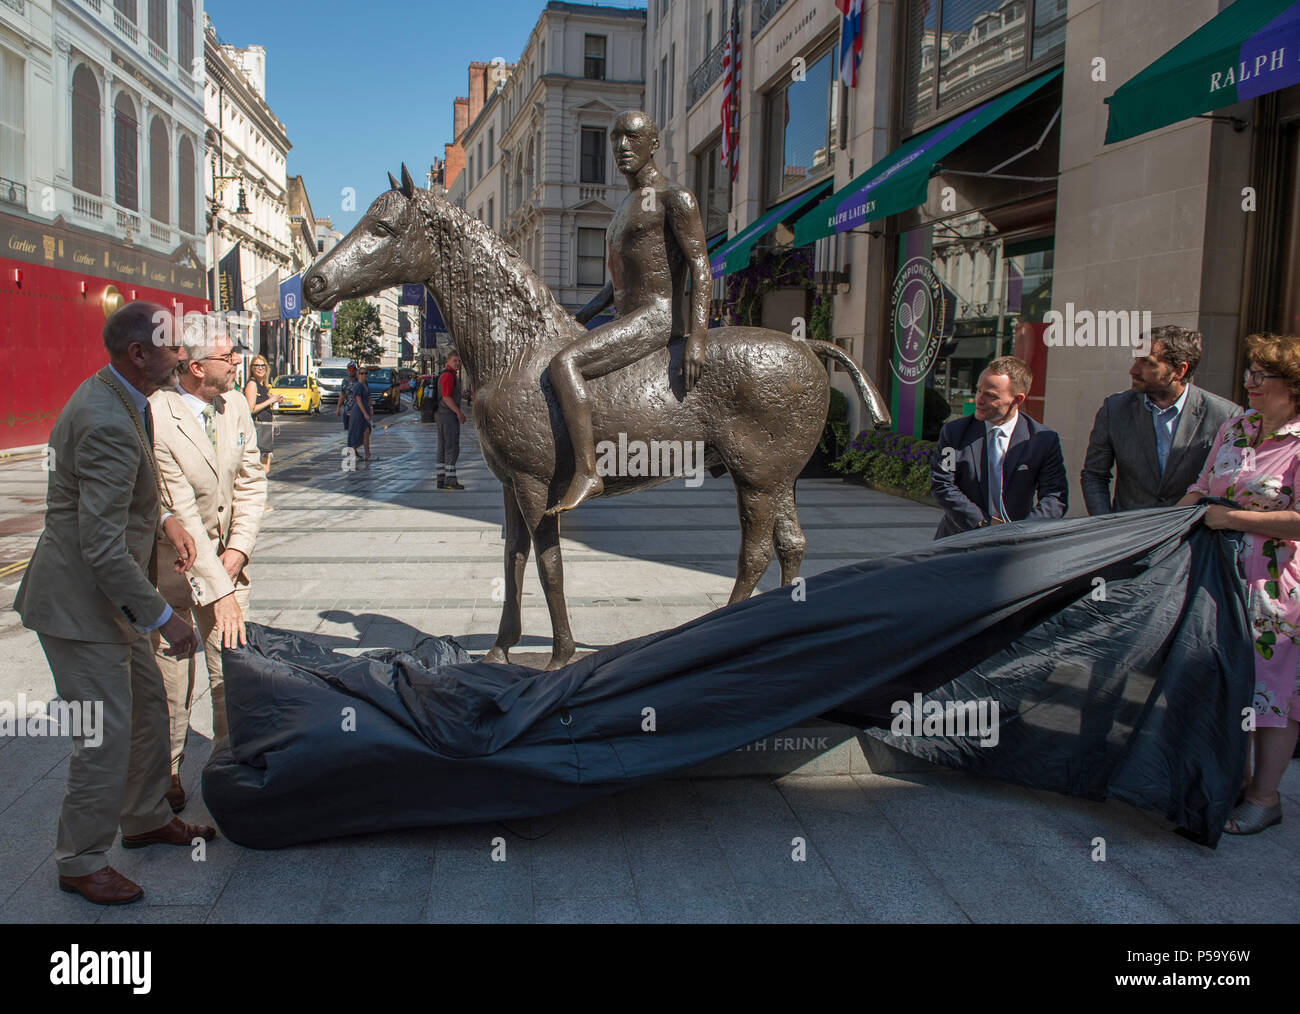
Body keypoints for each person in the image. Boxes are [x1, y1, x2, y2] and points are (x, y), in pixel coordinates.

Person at [13, 301, 216, 906]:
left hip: (110, 599)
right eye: (174, 347)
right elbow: (100, 547)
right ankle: (80, 860)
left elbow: (127, 503)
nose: (183, 356)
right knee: (102, 733)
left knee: (149, 709)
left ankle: (146, 816)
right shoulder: (106, 417)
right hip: (81, 605)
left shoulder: (126, 398)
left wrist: (167, 522)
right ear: (139, 354)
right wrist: (165, 618)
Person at [547, 109, 711, 514]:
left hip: (655, 318)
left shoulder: (675, 198)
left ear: (653, 144)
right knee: (567, 350)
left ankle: (588, 471)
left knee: (565, 363)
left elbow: (701, 268)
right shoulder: (624, 207)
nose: (622, 147)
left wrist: (699, 337)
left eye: (632, 138)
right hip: (627, 318)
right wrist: (576, 318)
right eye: (615, 138)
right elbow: (613, 284)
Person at [1177, 334, 1300, 835]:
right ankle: (1235, 780)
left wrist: (1229, 518)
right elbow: (1202, 487)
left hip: (1275, 591)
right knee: (1223, 681)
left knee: (1271, 692)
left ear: (1293, 388)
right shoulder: (1236, 428)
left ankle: (1265, 796)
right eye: (1248, 374)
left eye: (1260, 377)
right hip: (1215, 580)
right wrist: (1165, 526)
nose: (1248, 384)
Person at [150, 321, 266, 812]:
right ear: (196, 368)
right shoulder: (157, 416)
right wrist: (218, 588)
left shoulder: (236, 405)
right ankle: (167, 772)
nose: (238, 362)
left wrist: (238, 551)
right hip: (175, 573)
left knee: (231, 671)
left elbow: (251, 482)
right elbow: (181, 515)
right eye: (228, 357)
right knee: (172, 680)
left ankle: (227, 765)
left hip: (228, 565)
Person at [1082, 325, 1241, 513]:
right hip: (1129, 534)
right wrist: (1105, 526)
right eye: (1136, 360)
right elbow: (1094, 475)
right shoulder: (1115, 409)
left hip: (1190, 535)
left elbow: (1228, 486)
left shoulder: (1225, 416)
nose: (1133, 370)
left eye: (1147, 363)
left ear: (1179, 370)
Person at [930, 355, 1068, 539]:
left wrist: (1022, 532)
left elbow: (1054, 497)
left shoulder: (1042, 441)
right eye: (979, 391)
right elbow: (942, 484)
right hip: (959, 538)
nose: (979, 400)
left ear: (1017, 400)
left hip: (1016, 547)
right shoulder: (954, 433)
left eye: (990, 396)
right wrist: (981, 524)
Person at [243, 355, 281, 476]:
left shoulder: (263, 385)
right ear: (251, 368)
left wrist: (273, 399)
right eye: (256, 366)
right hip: (259, 426)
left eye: (262, 366)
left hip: (265, 425)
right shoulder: (252, 384)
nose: (260, 368)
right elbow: (251, 409)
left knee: (266, 463)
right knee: (262, 465)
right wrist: (270, 401)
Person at [436, 351, 466, 490]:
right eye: (455, 361)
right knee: (451, 447)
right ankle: (450, 479)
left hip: (442, 415)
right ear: (448, 361)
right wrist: (458, 412)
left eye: (459, 361)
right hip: (448, 416)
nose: (458, 364)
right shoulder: (448, 376)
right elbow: (446, 397)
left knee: (442, 447)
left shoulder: (447, 375)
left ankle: (441, 478)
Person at [348, 367, 373, 461]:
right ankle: (354, 451)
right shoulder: (357, 386)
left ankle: (367, 454)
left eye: (366, 373)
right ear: (358, 374)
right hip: (358, 412)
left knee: (367, 432)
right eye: (362, 373)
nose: (364, 375)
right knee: (357, 432)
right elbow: (358, 401)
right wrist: (364, 413)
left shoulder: (366, 384)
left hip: (365, 410)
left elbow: (369, 397)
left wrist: (371, 407)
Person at [335, 360, 359, 432]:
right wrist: (338, 407)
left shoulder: (359, 381)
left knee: (356, 430)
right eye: (349, 369)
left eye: (353, 369)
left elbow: (367, 395)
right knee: (348, 430)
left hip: (357, 410)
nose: (351, 371)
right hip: (347, 409)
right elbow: (342, 394)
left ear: (356, 370)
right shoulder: (345, 381)